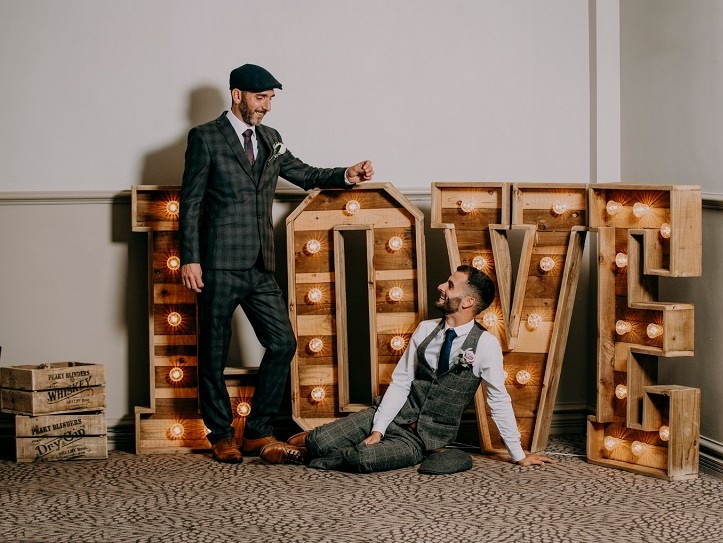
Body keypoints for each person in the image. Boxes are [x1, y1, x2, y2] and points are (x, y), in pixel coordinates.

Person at [179, 63, 373, 463]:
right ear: (237, 95)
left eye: (270, 99)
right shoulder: (206, 138)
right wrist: (191, 259)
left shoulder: (272, 139)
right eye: (259, 98)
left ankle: (257, 430)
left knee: (283, 343)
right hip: (217, 263)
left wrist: (346, 174)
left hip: (260, 264)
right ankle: (221, 435)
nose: (266, 106)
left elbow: (302, 174)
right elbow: (191, 201)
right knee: (214, 353)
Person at [260, 265, 554, 472]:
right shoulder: (425, 329)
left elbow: (498, 399)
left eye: (450, 285)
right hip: (390, 413)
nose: (441, 286)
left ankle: (307, 456)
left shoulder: (486, 345)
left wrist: (518, 454)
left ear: (467, 302)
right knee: (325, 439)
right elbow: (401, 382)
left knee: (365, 460)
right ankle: (316, 442)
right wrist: (379, 427)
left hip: (420, 439)